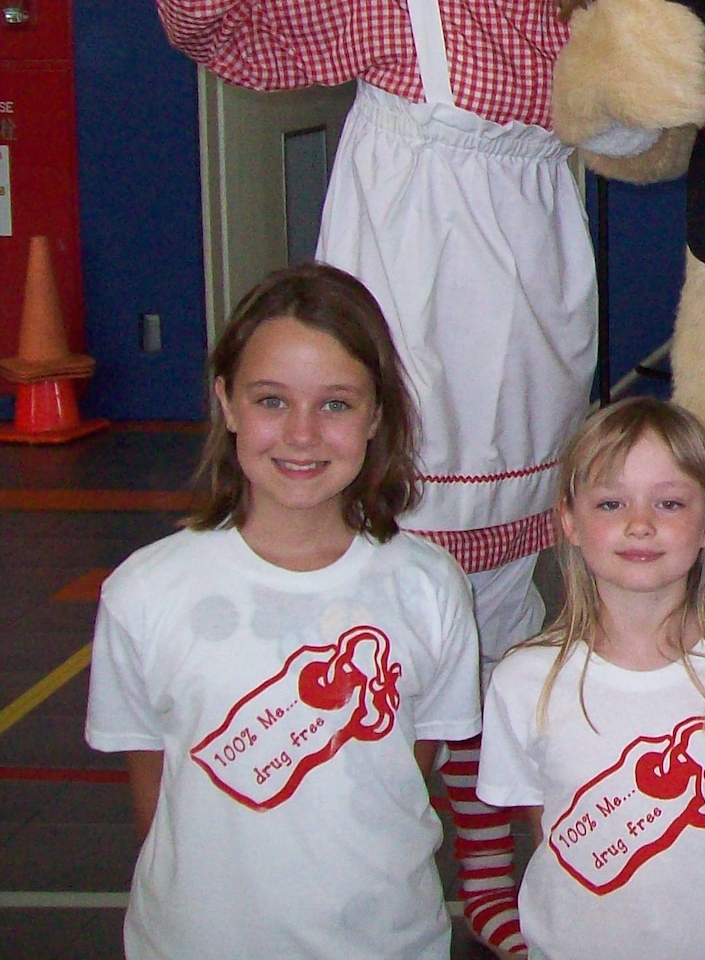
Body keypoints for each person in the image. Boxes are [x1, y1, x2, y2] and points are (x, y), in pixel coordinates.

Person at [150, 0, 645, 952]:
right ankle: (337, 853)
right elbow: (215, 29)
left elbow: (654, 143)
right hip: (396, 337)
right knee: (367, 601)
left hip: (528, 339)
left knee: (482, 628)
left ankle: (483, 874)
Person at [84, 265, 481, 960]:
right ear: (227, 404)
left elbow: (408, 771)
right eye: (271, 400)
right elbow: (156, 795)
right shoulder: (143, 593)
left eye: (335, 405)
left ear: (378, 415)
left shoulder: (429, 587)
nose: (301, 434)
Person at [475, 398, 705, 960]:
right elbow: (550, 838)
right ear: (570, 522)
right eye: (611, 502)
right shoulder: (523, 682)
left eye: (669, 502)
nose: (640, 524)